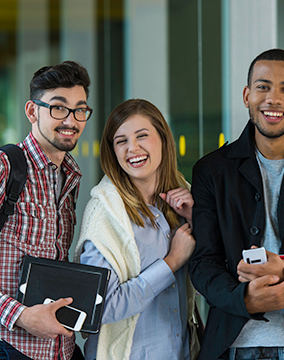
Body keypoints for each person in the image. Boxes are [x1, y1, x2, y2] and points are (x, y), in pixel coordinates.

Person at [189, 48, 284, 360]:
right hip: (232, 347)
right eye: (263, 87)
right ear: (246, 95)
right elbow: (202, 263)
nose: (273, 99)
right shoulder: (212, 171)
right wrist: (244, 300)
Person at [0, 61, 92, 360]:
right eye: (58, 108)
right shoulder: (0, 166)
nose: (71, 120)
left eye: (80, 110)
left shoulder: (70, 176)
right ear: (31, 111)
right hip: (1, 346)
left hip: (58, 349)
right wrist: (20, 315)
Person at [74, 99, 199, 360]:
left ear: (163, 139)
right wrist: (172, 262)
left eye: (142, 136)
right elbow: (103, 307)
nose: (133, 148)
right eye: (121, 141)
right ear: (113, 152)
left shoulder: (182, 200)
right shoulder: (106, 213)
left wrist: (196, 221)